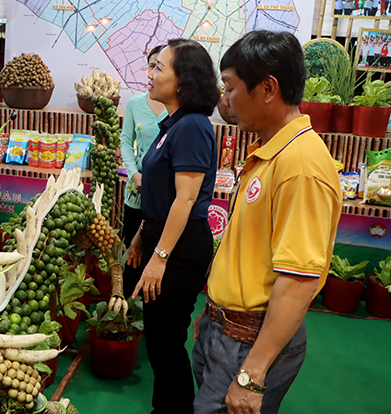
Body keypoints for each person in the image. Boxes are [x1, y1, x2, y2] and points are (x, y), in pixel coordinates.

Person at [192, 30, 342, 414]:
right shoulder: (270, 151)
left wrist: (252, 374)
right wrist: (213, 314)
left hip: (248, 343)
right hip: (227, 330)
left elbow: (298, 280)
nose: (225, 100)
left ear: (268, 88)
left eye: (230, 87)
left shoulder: (301, 166)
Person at [128, 38, 221, 414]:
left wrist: (160, 256)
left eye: (159, 67)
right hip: (163, 237)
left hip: (180, 249)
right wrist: (143, 233)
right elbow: (163, 191)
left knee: (166, 342)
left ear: (183, 80)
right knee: (159, 340)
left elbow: (185, 199)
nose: (149, 74)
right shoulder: (173, 124)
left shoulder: (193, 126)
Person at [119, 46, 168, 294]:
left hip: (163, 199)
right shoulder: (135, 104)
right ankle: (127, 303)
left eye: (159, 67)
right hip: (136, 193)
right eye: (151, 65)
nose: (152, 72)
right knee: (132, 255)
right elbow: (125, 143)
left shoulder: (177, 110)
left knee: (156, 254)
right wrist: (134, 174)